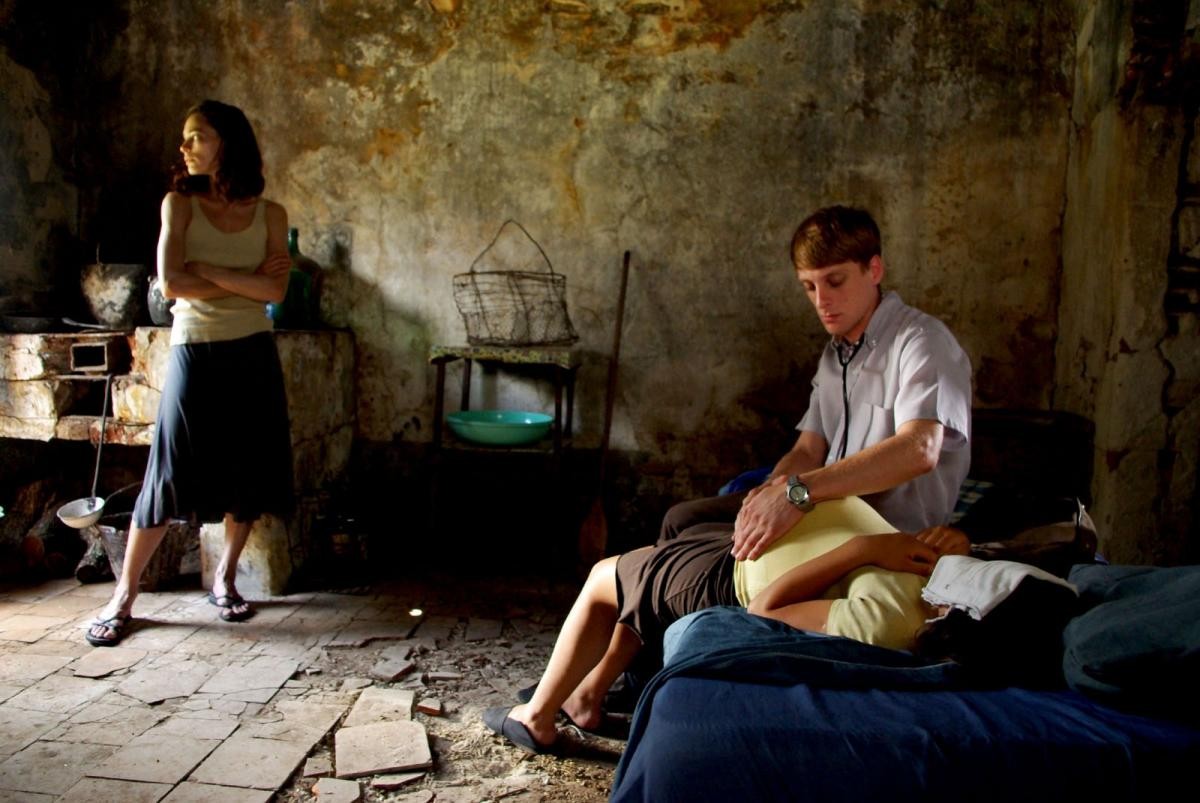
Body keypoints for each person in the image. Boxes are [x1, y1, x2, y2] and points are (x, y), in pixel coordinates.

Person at [483, 496, 971, 754]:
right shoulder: (952, 580)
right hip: (760, 547)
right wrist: (955, 543)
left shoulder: (890, 622)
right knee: (649, 561)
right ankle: (587, 697)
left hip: (735, 579)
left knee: (602, 578)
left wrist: (862, 549)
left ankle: (537, 718)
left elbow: (765, 611)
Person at [86, 100, 293, 647]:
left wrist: (206, 269)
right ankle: (123, 596)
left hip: (253, 350)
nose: (185, 147)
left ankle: (224, 579)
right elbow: (172, 284)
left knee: (248, 470)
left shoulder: (271, 215)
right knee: (168, 470)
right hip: (194, 348)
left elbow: (274, 291)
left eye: (197, 135)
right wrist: (242, 278)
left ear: (228, 142)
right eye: (185, 137)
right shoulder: (177, 205)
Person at [661, 205, 972, 556]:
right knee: (681, 519)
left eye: (835, 281)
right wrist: (770, 490)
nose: (821, 301)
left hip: (879, 529)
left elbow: (919, 449)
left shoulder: (922, 340)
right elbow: (809, 450)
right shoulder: (835, 353)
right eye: (809, 286)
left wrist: (797, 491)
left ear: (874, 270)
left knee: (700, 541)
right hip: (823, 508)